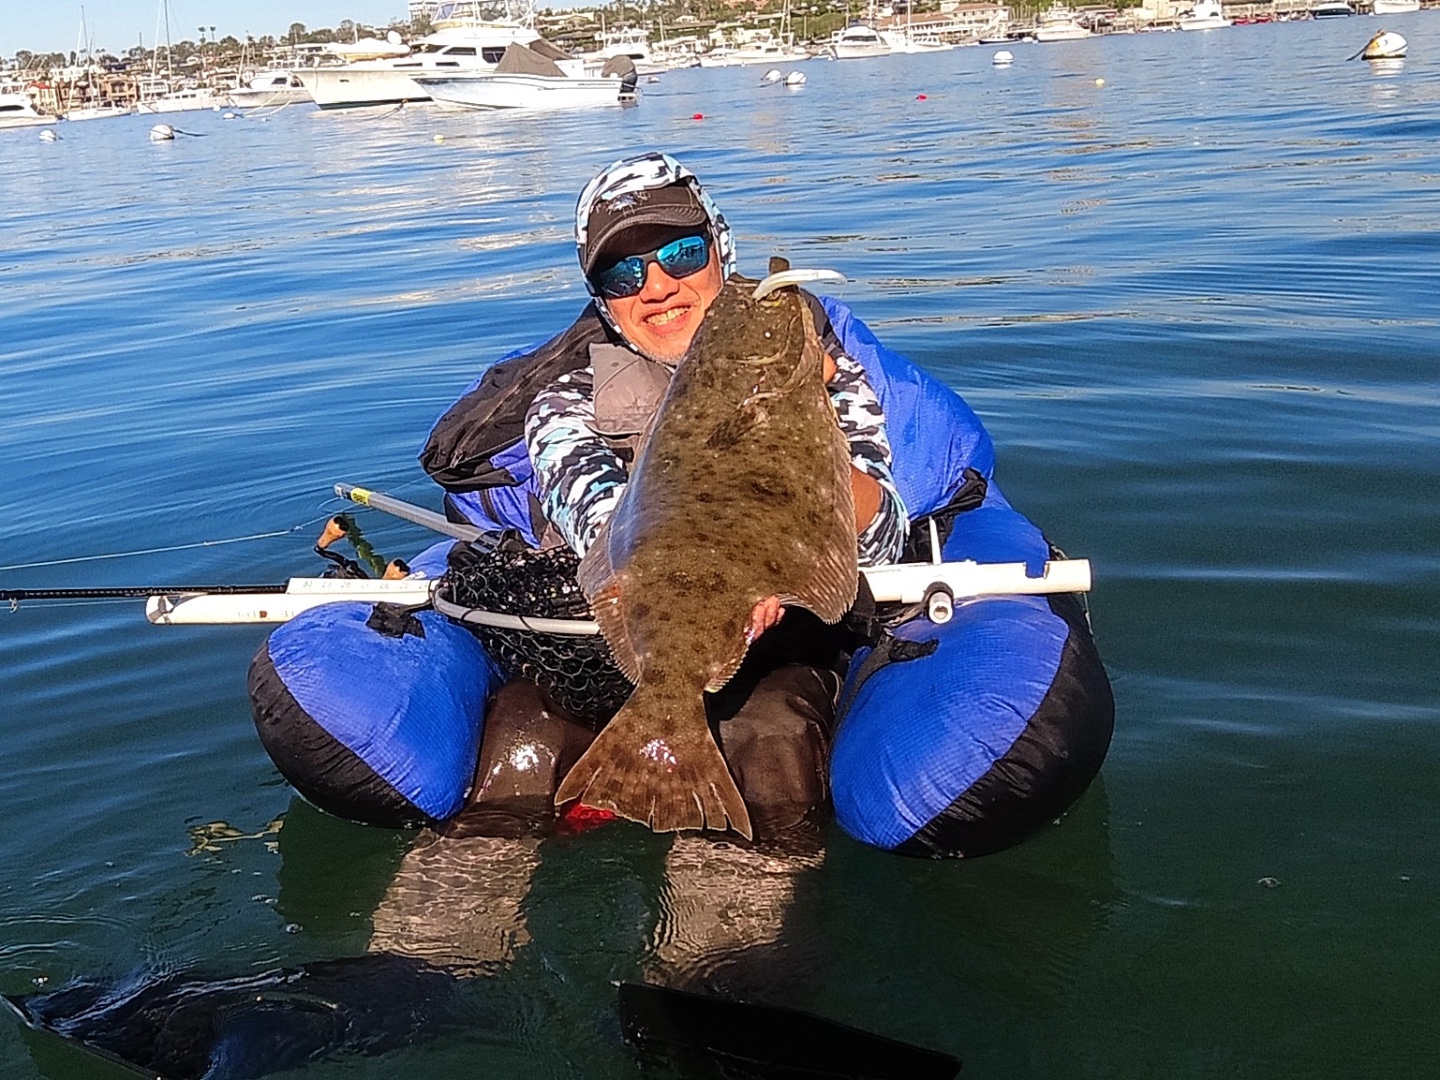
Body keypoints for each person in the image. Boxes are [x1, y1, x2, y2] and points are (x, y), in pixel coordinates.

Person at [423, 152, 913, 848]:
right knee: (520, 735)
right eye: (622, 274)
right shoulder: (565, 401)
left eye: (681, 254)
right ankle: (450, 915)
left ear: (720, 250)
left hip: (784, 653)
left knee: (768, 737)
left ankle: (723, 920)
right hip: (613, 649)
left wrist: (811, 432)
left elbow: (883, 544)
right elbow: (603, 525)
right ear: (601, 297)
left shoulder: (831, 383)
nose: (656, 286)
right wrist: (711, 599)